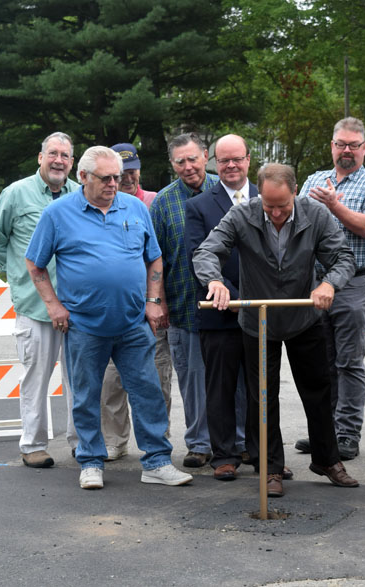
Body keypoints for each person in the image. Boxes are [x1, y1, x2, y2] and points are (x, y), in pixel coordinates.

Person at [24, 145, 192, 490]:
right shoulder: (57, 214)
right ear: (82, 177)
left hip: (132, 323)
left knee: (147, 392)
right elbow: (35, 264)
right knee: (87, 395)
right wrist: (54, 306)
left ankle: (157, 461)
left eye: (118, 176)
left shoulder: (134, 208)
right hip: (84, 325)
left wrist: (153, 300)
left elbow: (154, 259)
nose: (115, 183)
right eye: (106, 178)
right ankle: (90, 461)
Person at [192, 162, 359, 498]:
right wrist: (214, 280)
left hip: (303, 318)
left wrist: (329, 283)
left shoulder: (316, 214)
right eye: (269, 207)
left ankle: (327, 459)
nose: (277, 213)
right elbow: (208, 250)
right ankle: (270, 467)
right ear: (260, 197)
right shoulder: (243, 214)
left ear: (295, 193)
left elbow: (343, 256)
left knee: (318, 390)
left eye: (283, 206)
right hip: (259, 322)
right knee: (262, 397)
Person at [295, 117, 365, 460]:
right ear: (332, 145)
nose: (346, 150)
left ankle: (347, 434)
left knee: (348, 362)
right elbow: (295, 218)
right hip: (315, 283)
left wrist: (334, 206)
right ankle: (324, 433)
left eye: (353, 145)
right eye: (341, 144)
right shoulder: (312, 180)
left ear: (364, 148)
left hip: (352, 283)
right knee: (320, 362)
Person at [0, 131, 78, 468]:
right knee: (36, 378)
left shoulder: (79, 195)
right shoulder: (16, 194)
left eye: (65, 156)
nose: (58, 160)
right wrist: (18, 280)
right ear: (40, 157)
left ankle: (81, 443)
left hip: (76, 307)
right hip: (35, 308)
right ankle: (33, 445)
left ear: (72, 162)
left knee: (78, 379)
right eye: (53, 153)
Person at [185, 134, 255, 481]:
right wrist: (230, 296)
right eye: (223, 160)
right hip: (219, 311)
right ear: (214, 162)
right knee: (220, 390)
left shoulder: (266, 197)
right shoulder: (199, 206)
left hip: (263, 313)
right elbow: (198, 254)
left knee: (262, 389)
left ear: (247, 160)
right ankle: (224, 456)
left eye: (236, 159)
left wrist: (253, 300)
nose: (230, 165)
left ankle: (264, 455)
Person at [98, 143, 173, 462]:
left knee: (156, 379)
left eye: (132, 170)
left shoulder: (154, 202)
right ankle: (114, 439)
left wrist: (160, 301)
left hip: (152, 307)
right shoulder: (97, 205)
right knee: (111, 380)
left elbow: (162, 257)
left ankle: (158, 440)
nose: (127, 176)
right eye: (119, 171)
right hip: (116, 311)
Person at [150, 133, 217, 468]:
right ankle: (199, 444)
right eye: (180, 161)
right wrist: (157, 301)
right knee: (192, 378)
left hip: (228, 308)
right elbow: (154, 259)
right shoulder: (163, 202)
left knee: (231, 378)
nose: (188, 167)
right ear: (172, 164)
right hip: (183, 306)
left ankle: (237, 442)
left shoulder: (226, 191)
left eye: (193, 159)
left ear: (205, 156)